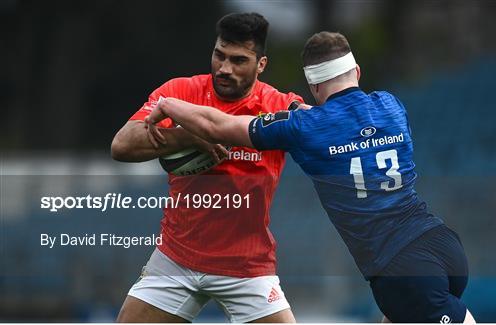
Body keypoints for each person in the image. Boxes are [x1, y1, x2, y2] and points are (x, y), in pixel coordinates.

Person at [145, 31, 477, 323]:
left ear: (313, 85)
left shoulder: (305, 127)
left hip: (398, 269)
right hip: (442, 245)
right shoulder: (391, 104)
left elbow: (219, 126)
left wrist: (169, 104)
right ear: (357, 72)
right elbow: (348, 126)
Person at [111, 12, 303, 323]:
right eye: (219, 56)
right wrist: (191, 134)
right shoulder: (181, 92)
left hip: (247, 268)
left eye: (239, 60)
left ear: (261, 65)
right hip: (176, 259)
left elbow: (316, 124)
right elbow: (122, 145)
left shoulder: (279, 105)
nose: (225, 69)